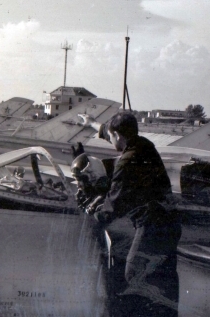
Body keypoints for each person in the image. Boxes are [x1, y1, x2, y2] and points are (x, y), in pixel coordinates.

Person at [77, 112, 181, 315]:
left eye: (111, 135)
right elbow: (113, 135)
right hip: (169, 223)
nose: (110, 139)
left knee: (135, 273)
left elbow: (113, 207)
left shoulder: (126, 162)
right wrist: (91, 124)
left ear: (118, 134)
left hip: (153, 225)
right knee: (164, 278)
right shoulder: (144, 144)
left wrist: (92, 215)